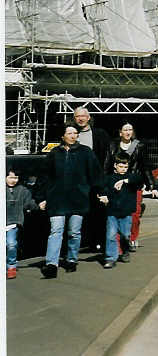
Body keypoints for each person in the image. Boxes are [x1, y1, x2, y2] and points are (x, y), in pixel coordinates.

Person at [36, 123, 102, 278]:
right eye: (69, 133)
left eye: (75, 133)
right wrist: (41, 198)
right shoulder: (54, 153)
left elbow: (96, 174)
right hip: (57, 199)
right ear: (62, 136)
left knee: (74, 233)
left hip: (78, 199)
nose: (73, 136)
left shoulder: (86, 152)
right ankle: (51, 265)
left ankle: (72, 260)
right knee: (56, 232)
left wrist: (101, 192)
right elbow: (44, 177)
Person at [108, 122, 158, 250]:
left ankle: (132, 238)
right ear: (120, 132)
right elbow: (106, 165)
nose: (128, 132)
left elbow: (145, 167)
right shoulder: (112, 145)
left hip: (133, 184)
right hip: (116, 185)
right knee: (116, 215)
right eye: (125, 130)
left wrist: (152, 186)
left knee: (134, 215)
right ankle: (118, 246)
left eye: (130, 129)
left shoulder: (139, 146)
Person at [73, 107, 111, 252]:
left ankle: (98, 242)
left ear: (88, 118)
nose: (80, 119)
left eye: (83, 116)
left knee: (98, 212)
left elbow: (107, 156)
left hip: (95, 178)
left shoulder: (100, 134)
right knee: (80, 213)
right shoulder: (71, 134)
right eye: (77, 116)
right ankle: (83, 242)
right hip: (77, 181)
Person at [97, 154, 142, 269]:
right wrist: (103, 196)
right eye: (121, 166)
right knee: (111, 235)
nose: (123, 169)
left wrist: (125, 181)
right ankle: (111, 258)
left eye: (125, 167)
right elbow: (102, 188)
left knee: (125, 235)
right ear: (115, 165)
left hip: (126, 212)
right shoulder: (109, 178)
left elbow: (139, 179)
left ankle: (125, 251)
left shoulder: (130, 178)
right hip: (112, 211)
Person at [7, 166, 40, 279]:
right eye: (11, 177)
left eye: (16, 178)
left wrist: (37, 206)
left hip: (13, 222)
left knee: (11, 244)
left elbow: (28, 203)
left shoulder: (23, 190)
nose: (13, 180)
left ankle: (11, 267)